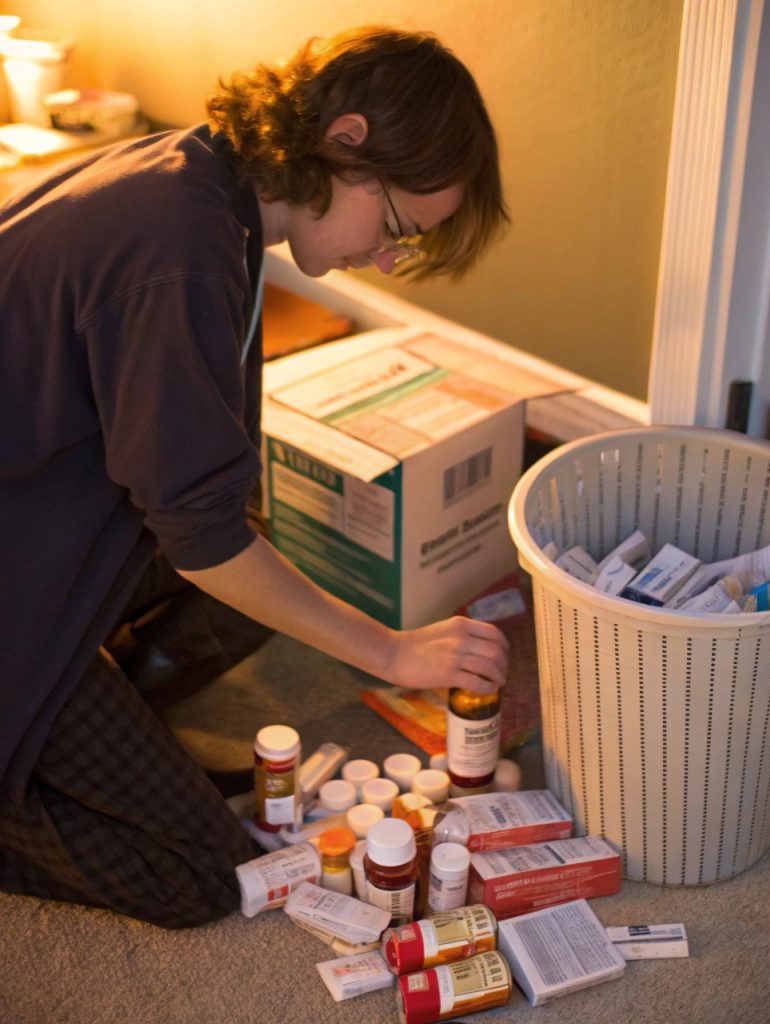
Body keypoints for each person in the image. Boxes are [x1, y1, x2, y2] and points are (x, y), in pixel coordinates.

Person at [0, 26, 510, 927]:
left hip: (42, 501)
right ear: (344, 141)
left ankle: (96, 691)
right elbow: (201, 537)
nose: (389, 260)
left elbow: (200, 492)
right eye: (396, 228)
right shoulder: (179, 248)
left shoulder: (201, 182)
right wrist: (386, 649)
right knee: (203, 876)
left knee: (261, 570)